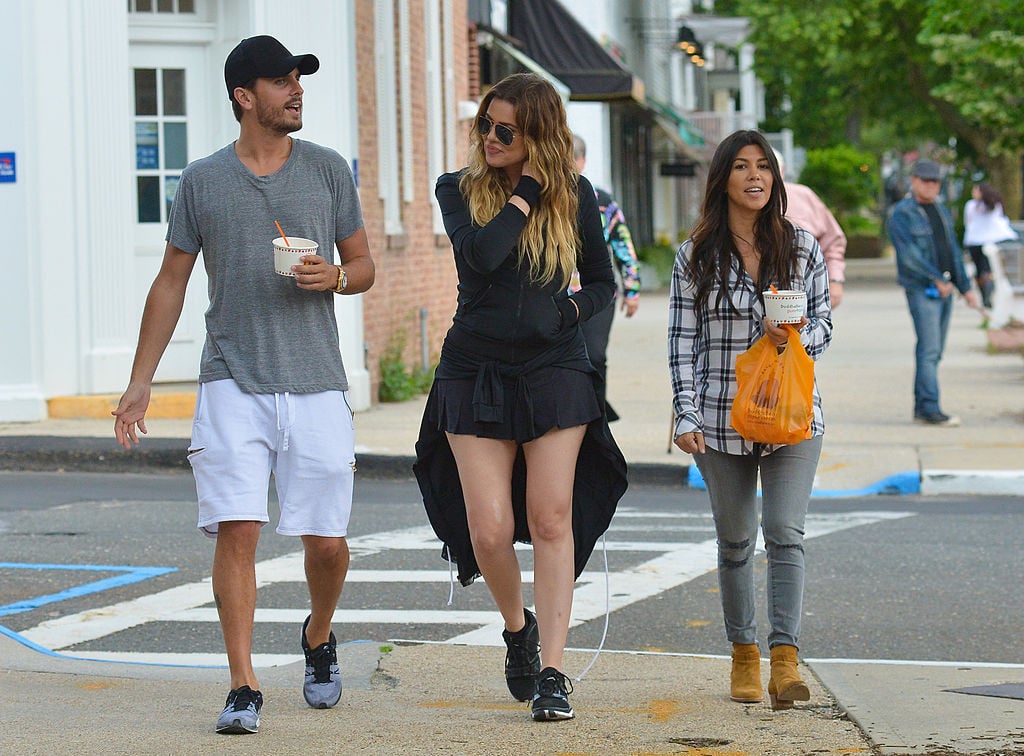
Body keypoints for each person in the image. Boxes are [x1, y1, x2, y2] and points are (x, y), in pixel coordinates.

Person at [112, 35, 375, 734]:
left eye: (299, 80)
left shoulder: (325, 172)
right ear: (244, 97)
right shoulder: (202, 181)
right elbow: (171, 280)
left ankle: (319, 634)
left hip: (316, 379)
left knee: (325, 541)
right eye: (282, 81)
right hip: (232, 378)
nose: (296, 91)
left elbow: (364, 265)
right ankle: (242, 682)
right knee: (238, 530)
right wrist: (140, 382)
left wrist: (338, 278)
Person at [413, 73, 627, 722]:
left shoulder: (578, 196)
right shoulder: (459, 190)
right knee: (490, 529)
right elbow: (482, 257)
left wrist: (569, 316)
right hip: (473, 370)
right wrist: (528, 186)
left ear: (538, 133)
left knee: (551, 517)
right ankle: (518, 628)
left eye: (507, 129)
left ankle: (555, 672)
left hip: (554, 370)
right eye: (486, 125)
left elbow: (601, 282)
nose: (491, 138)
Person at [668, 130, 832, 710]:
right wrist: (685, 412)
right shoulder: (695, 255)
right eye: (741, 167)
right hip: (720, 418)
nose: (755, 176)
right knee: (736, 539)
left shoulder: (803, 248)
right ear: (724, 179)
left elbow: (824, 328)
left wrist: (790, 336)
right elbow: (682, 341)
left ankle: (785, 660)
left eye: (763, 166)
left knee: (785, 533)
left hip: (792, 416)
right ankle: (744, 654)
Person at [888, 159, 977, 427]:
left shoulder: (940, 209)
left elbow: (952, 250)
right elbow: (909, 257)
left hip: (946, 289)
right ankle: (930, 407)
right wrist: (936, 279)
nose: (931, 186)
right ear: (913, 180)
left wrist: (966, 288)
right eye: (926, 180)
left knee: (934, 351)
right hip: (922, 289)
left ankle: (923, 405)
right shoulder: (902, 213)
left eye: (935, 181)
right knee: (929, 349)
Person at [569, 134, 641, 420]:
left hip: (597, 297)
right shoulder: (544, 197)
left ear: (583, 161)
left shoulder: (602, 202)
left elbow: (623, 246)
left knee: (595, 355)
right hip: (556, 296)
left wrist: (632, 290)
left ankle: (596, 417)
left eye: (573, 158)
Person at [774, 150, 848, 306]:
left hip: (806, 291)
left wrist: (835, 279)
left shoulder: (804, 196)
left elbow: (833, 241)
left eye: (768, 167)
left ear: (783, 170)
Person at [963, 182, 1017, 310]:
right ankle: (988, 294)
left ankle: (984, 296)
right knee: (989, 269)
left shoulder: (971, 206)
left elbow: (968, 221)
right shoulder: (994, 205)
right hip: (990, 241)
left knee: (979, 269)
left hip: (974, 240)